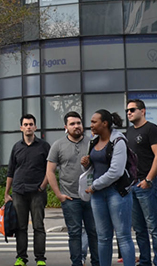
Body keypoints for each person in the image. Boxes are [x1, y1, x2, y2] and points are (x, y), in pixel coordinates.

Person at [82, 110, 135, 266]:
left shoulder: (118, 141)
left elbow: (116, 172)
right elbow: (95, 168)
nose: (90, 125)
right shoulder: (94, 141)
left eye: (94, 122)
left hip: (117, 193)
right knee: (103, 237)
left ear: (104, 123)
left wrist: (94, 186)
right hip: (98, 195)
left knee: (123, 236)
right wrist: (87, 164)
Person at [48, 111, 100, 266]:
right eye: (72, 124)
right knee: (74, 233)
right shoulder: (58, 145)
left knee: (94, 232)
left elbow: (101, 167)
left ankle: (97, 262)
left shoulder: (93, 143)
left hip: (91, 196)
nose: (76, 126)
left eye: (78, 123)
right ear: (66, 127)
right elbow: (49, 171)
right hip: (70, 198)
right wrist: (59, 194)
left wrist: (90, 163)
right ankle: (76, 263)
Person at [123, 99, 157, 266]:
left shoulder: (152, 129)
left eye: (132, 109)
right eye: (127, 110)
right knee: (139, 229)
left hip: (146, 183)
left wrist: (148, 179)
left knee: (154, 226)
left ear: (143, 111)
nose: (129, 113)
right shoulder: (128, 132)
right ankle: (145, 261)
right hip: (132, 184)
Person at [5, 115, 51, 266]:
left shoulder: (44, 146)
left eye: (31, 124)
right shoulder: (16, 147)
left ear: (35, 127)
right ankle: (21, 258)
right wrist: (6, 193)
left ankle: (40, 259)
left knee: (38, 226)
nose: (28, 127)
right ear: (21, 128)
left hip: (37, 192)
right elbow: (10, 171)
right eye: (25, 124)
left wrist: (43, 186)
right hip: (19, 191)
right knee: (20, 227)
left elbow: (50, 170)